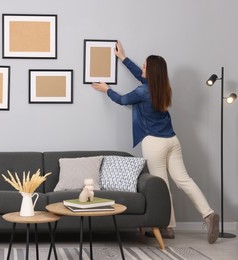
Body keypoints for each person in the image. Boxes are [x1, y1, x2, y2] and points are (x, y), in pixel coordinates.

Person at [91, 41, 220, 244]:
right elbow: (140, 77)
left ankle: (167, 226)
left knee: (162, 185)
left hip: (154, 143)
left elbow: (123, 100)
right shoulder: (163, 87)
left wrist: (107, 89)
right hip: (172, 140)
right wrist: (123, 58)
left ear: (151, 72)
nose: (142, 68)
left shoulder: (143, 92)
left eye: (144, 66)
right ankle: (208, 214)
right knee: (184, 180)